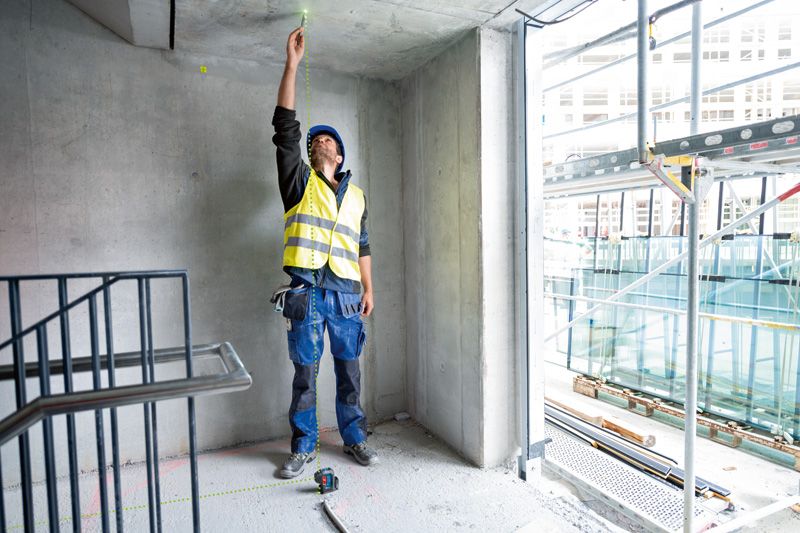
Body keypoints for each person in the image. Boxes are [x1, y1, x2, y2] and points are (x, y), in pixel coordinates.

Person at [272, 26, 378, 479]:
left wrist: (369, 288)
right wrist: (292, 65)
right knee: (305, 376)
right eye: (314, 141)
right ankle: (303, 446)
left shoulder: (357, 197)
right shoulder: (298, 183)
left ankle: (354, 438)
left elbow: (362, 245)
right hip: (307, 293)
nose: (319, 142)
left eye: (328, 140)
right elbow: (285, 129)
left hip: (348, 295)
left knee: (349, 373)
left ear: (340, 154)